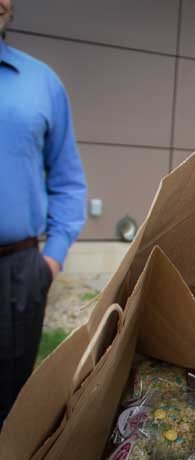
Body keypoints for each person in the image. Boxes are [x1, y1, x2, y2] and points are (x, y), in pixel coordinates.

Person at [0, 0, 87, 430]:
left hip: (16, 271)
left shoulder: (40, 82)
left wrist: (50, 259)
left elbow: (68, 181)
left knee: (11, 396)